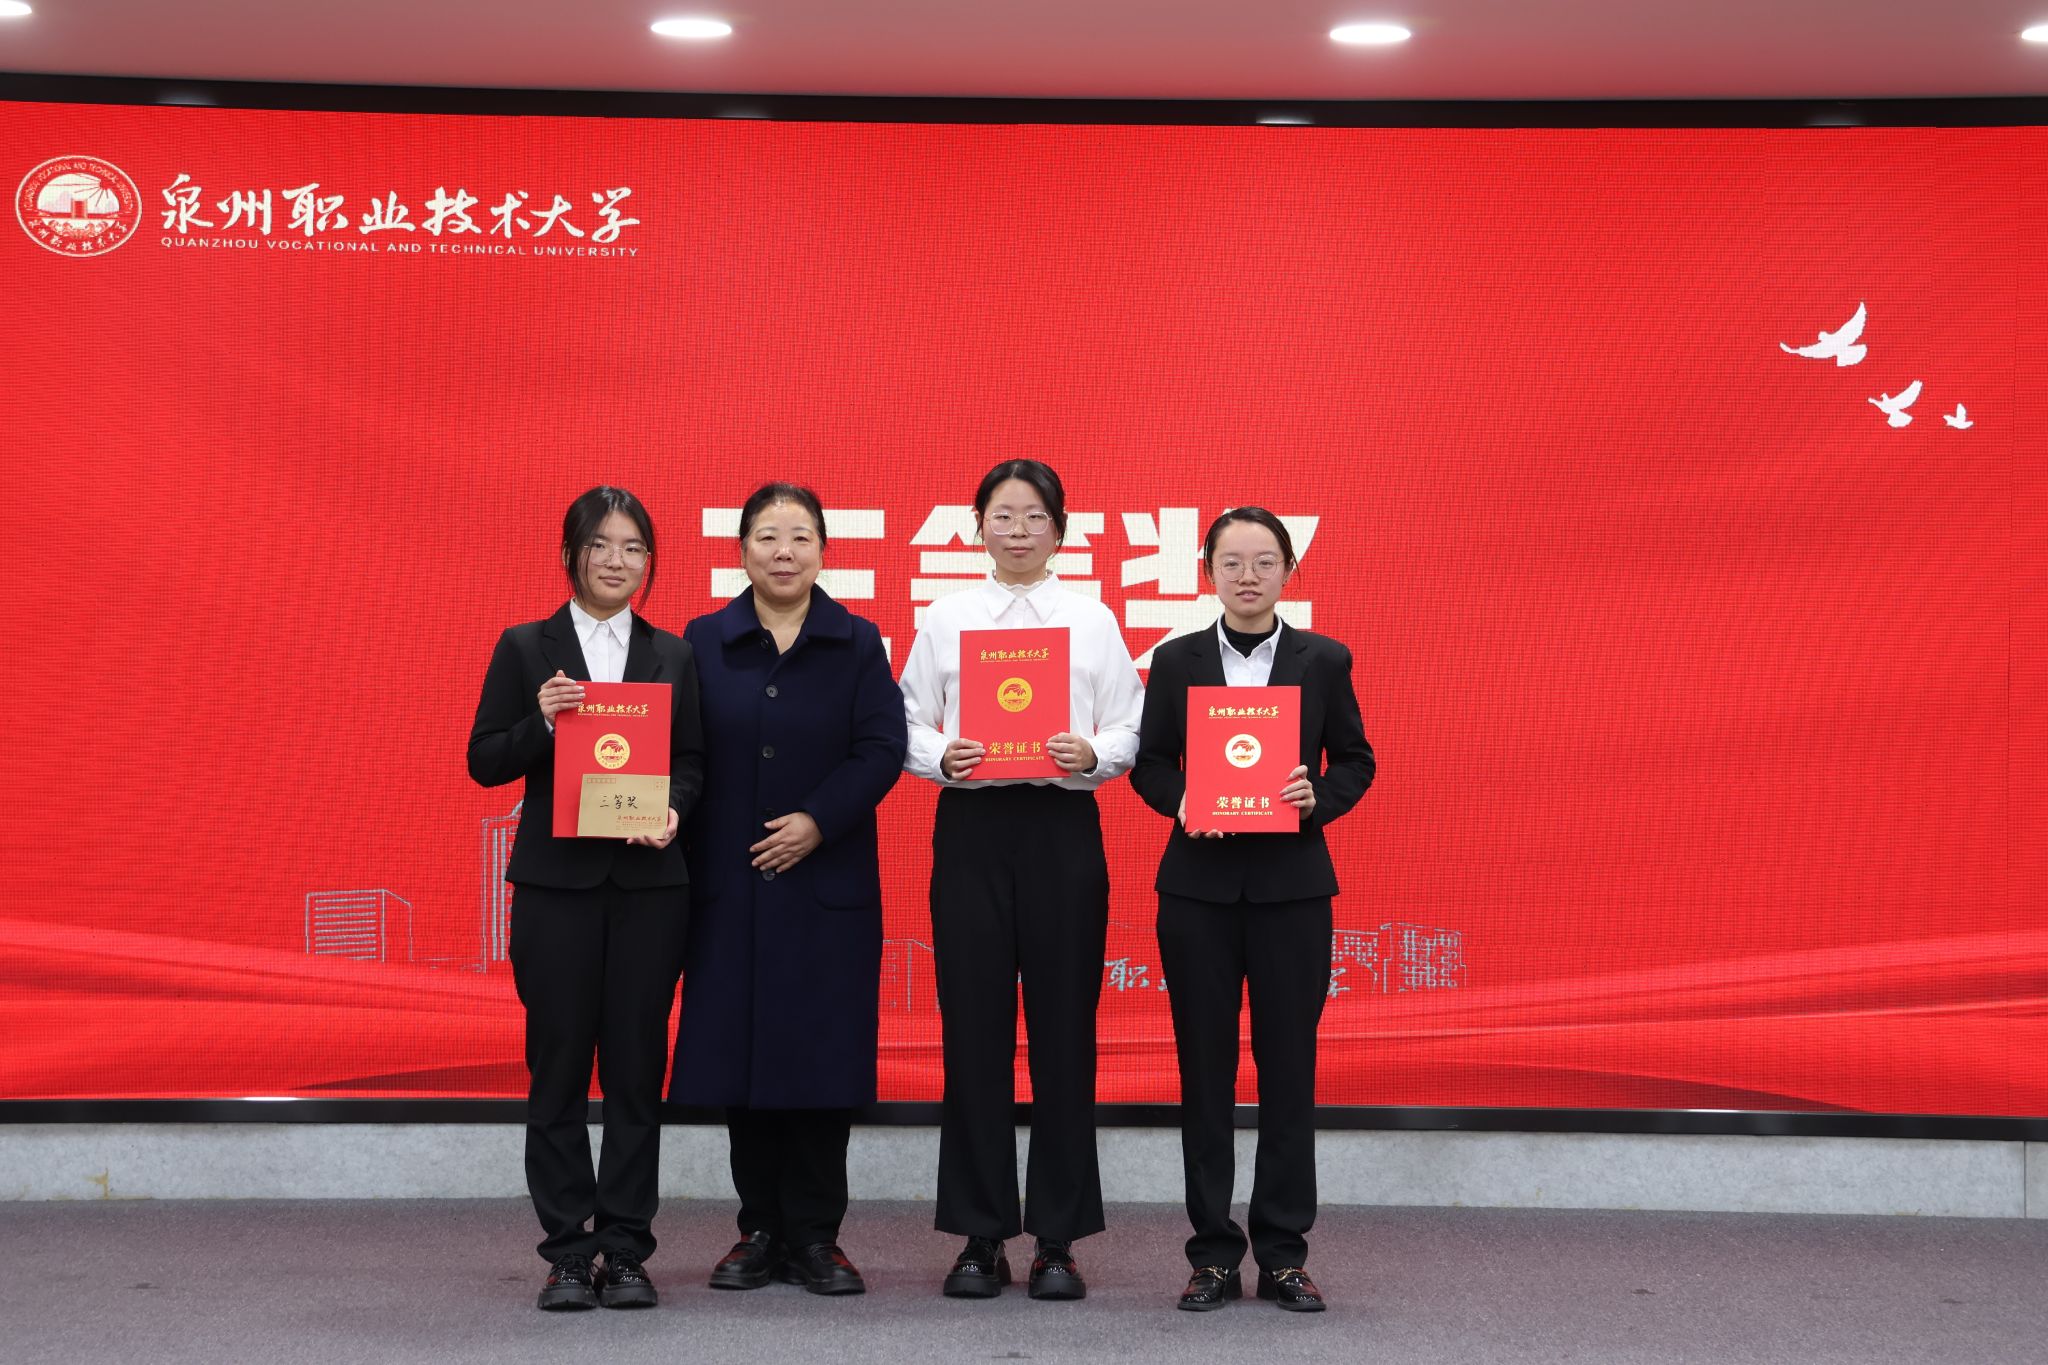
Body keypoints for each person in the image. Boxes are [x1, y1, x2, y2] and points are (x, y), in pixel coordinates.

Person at [899, 458, 1145, 1301]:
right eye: (1002, 515)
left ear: (1060, 530)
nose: (1017, 530)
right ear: (978, 527)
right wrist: (944, 755)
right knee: (973, 1030)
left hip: (1060, 828)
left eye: (1034, 515)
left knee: (1063, 1031)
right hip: (972, 828)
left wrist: (1092, 752)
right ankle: (980, 1234)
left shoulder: (1091, 618)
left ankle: (1057, 1238)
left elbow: (1130, 722)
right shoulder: (947, 615)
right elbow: (905, 718)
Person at [1130, 507, 1374, 1314]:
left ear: (1288, 570)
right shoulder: (1176, 659)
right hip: (1196, 892)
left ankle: (1283, 1253)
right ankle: (1211, 1253)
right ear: (1207, 571)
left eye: (1263, 561)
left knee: (1289, 1071)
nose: (1247, 575)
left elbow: (1356, 760)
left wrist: (1315, 798)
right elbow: (1150, 763)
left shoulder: (1323, 659)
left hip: (1291, 891)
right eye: (1230, 562)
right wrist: (1184, 798)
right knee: (1203, 1072)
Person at [467, 486, 705, 1312]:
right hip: (556, 889)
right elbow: (485, 759)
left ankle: (627, 1247)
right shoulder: (524, 647)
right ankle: (568, 1251)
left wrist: (674, 809)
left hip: (649, 891)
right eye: (600, 544)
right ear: (570, 555)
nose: (616, 560)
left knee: (638, 1072)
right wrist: (540, 720)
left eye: (633, 547)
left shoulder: (674, 653)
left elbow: (693, 761)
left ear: (649, 561)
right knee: (559, 1069)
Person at [670, 482, 907, 1297]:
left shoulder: (857, 641)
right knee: (742, 1062)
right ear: (741, 550)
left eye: (800, 536)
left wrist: (818, 820)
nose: (783, 551)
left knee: (820, 1058)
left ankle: (816, 1235)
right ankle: (759, 1228)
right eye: (767, 536)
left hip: (825, 888)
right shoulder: (704, 640)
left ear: (823, 551)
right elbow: (683, 750)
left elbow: (882, 747)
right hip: (731, 888)